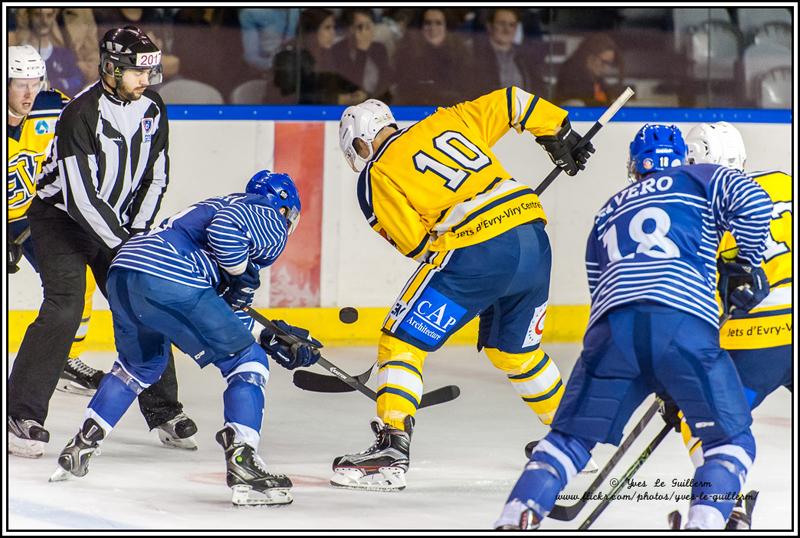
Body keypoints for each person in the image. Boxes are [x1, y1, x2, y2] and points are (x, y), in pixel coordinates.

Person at [495, 124, 773, 530]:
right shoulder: (701, 176)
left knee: (567, 441)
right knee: (729, 442)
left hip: (611, 335)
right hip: (683, 327)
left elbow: (600, 287)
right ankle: (704, 521)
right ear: (682, 159)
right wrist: (744, 263)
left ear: (634, 166)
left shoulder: (608, 210)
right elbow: (755, 203)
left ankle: (515, 516)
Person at [331, 88, 595, 490]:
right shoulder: (446, 120)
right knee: (515, 352)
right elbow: (513, 101)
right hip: (532, 237)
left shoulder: (377, 174)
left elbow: (418, 245)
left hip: (478, 253)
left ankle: (391, 448)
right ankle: (573, 442)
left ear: (361, 140)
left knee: (401, 341)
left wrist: (469, 249)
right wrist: (558, 132)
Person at [51, 171, 322, 507]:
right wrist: (241, 276)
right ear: (285, 207)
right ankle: (243, 458)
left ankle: (81, 445)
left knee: (139, 367)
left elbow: (216, 313)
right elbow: (224, 232)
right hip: (171, 277)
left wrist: (270, 334)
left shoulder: (217, 208)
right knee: (247, 362)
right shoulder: (268, 214)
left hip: (125, 271)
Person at [7, 26, 197, 459]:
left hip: (118, 225)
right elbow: (80, 197)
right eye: (136, 72)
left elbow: (156, 176)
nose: (145, 80)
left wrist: (139, 233)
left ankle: (164, 410)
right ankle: (20, 413)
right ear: (111, 69)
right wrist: (125, 243)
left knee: (144, 300)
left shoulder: (153, 107)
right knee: (65, 306)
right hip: (60, 221)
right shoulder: (80, 113)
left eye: (148, 72)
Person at [676, 121, 793, 529]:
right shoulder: (784, 182)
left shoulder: (698, 214)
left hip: (756, 344)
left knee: (702, 419)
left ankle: (729, 503)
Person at [7, 44, 107, 401]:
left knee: (79, 281)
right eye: (20, 84)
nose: (29, 93)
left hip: (37, 217)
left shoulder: (54, 107)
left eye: (35, 82)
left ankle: (66, 358)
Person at [271, 8, 366, 105]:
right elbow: (288, 97)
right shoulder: (288, 58)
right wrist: (336, 99)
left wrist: (357, 92)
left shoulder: (328, 56)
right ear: (311, 31)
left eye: (334, 27)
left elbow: (341, 80)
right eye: (327, 28)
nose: (333, 33)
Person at [393, 8, 471, 106]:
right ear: (421, 27)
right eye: (428, 23)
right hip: (414, 107)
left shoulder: (460, 52)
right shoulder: (407, 51)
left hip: (451, 107)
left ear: (446, 27)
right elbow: (403, 88)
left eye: (438, 23)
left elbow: (466, 88)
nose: (433, 28)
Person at [468, 8, 547, 100]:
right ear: (489, 26)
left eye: (512, 25)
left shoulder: (525, 57)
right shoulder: (475, 56)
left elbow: (539, 90)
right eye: (502, 23)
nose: (507, 29)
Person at [18, 8, 86, 96]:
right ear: (29, 16)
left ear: (54, 16)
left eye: (49, 15)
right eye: (38, 15)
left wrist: (54, 85)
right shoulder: (17, 54)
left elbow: (79, 81)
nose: (44, 21)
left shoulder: (64, 55)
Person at [331, 9, 393, 102]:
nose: (367, 31)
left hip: (377, 103)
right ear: (349, 29)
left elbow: (385, 84)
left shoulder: (379, 48)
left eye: (369, 25)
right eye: (360, 27)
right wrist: (361, 52)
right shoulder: (338, 50)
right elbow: (352, 87)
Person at [554, 32, 623, 106]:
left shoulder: (599, 82)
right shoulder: (571, 78)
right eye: (604, 62)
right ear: (590, 58)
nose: (606, 68)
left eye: (610, 63)